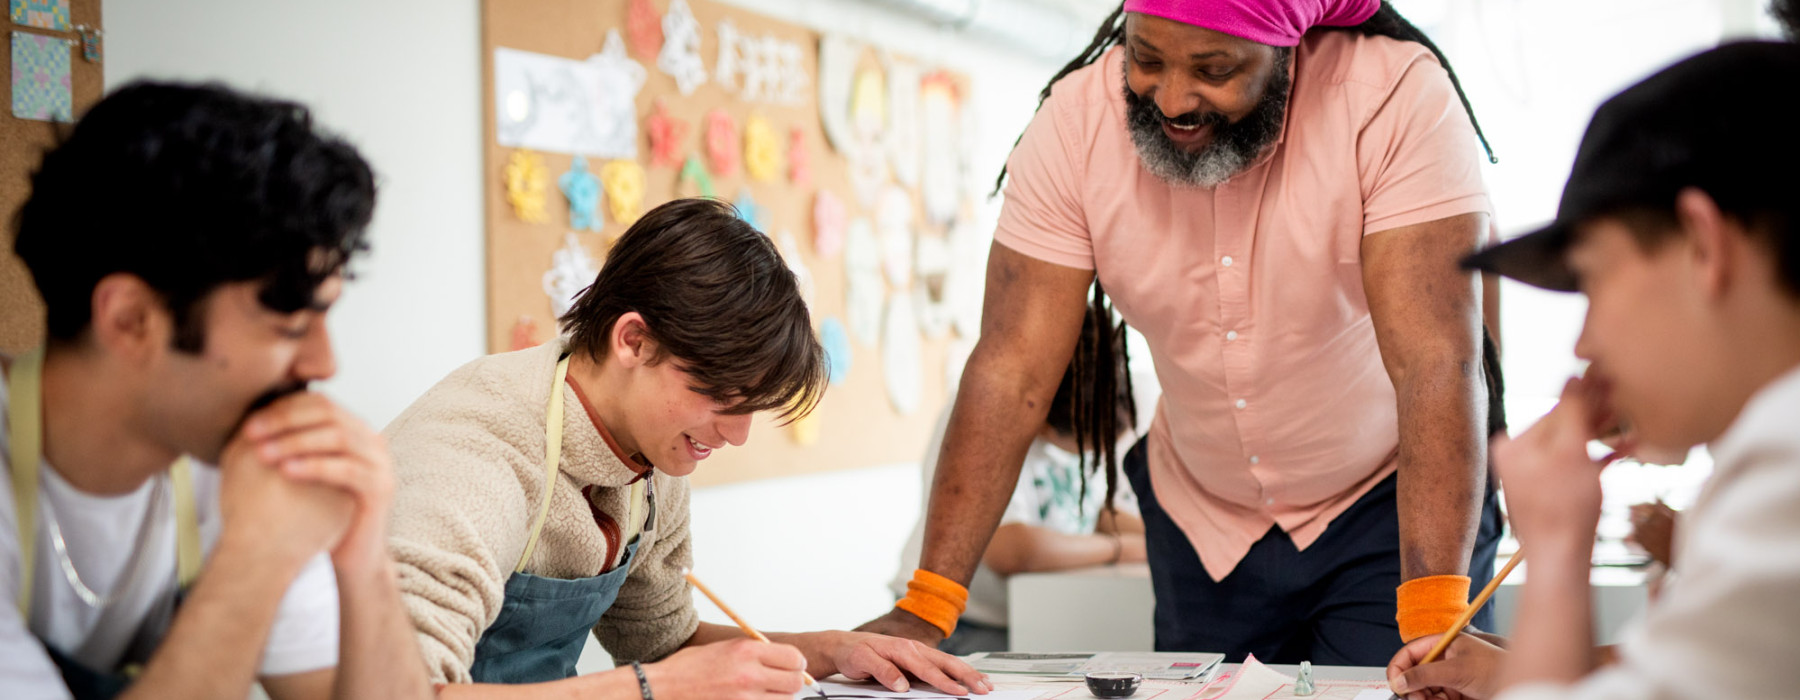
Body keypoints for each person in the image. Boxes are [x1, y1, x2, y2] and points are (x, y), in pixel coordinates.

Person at [861, 0, 1507, 666]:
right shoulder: (1074, 125)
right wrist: (926, 608)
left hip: (1391, 503)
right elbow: (1010, 366)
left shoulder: (1391, 99)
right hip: (1204, 519)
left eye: (1214, 67)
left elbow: (1437, 361)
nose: (1170, 97)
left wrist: (1435, 619)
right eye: (1145, 58)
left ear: (1288, 48)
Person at [384, 198, 991, 698]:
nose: (737, 434)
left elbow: (663, 642)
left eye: (753, 409)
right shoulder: (479, 454)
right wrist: (654, 688)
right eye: (723, 399)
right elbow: (397, 692)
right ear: (634, 342)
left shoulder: (653, 457)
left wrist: (832, 648)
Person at [1386, 40, 1800, 700]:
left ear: (1702, 245)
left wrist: (1554, 550)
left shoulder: (1785, 481)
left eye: (1593, 282)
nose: (1583, 345)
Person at [0, 82, 430, 699]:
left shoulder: (235, 453)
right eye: (290, 326)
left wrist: (365, 564)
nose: (325, 363)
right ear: (130, 320)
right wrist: (257, 554)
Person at [889, 308, 1153, 655]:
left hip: (1036, 611)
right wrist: (1120, 549)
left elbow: (1098, 513)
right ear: (1040, 416)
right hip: (964, 623)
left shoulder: (1107, 404)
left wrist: (1158, 541)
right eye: (1077, 447)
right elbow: (1011, 549)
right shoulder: (982, 413)